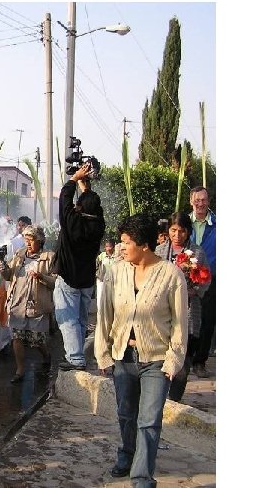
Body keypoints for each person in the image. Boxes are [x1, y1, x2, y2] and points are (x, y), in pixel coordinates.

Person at [94, 213, 188, 486]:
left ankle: (141, 476)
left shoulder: (171, 275)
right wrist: (103, 353)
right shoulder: (116, 272)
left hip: (157, 360)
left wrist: (173, 361)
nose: (121, 248)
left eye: (126, 243)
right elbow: (105, 316)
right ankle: (127, 453)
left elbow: (180, 324)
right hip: (123, 356)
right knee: (126, 414)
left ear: (144, 245)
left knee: (149, 420)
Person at [52, 163, 105, 371]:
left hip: (69, 277)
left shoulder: (73, 223)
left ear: (80, 208)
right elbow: (91, 206)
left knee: (67, 320)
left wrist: (74, 179)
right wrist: (85, 187)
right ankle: (79, 355)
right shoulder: (99, 224)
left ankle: (75, 359)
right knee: (81, 320)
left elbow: (64, 200)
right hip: (87, 279)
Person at [155, 211, 211, 402]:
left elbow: (206, 280)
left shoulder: (197, 252)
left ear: (188, 232)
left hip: (187, 313)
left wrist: (194, 290)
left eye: (181, 231)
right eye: (173, 230)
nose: (177, 235)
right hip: (162, 314)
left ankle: (174, 399)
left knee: (182, 364)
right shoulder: (159, 252)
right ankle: (159, 398)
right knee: (161, 359)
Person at [0, 226, 56, 382]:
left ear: (40, 241)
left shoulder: (49, 257)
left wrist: (41, 276)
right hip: (18, 302)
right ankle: (20, 370)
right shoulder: (19, 255)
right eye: (26, 240)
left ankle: (46, 355)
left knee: (37, 339)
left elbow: (55, 282)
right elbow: (9, 275)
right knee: (16, 337)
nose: (28, 244)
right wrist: (2, 268)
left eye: (31, 240)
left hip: (36, 305)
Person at [188, 186, 216, 378]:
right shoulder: (183, 223)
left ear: (208, 201)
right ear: (191, 201)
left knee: (207, 319)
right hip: (186, 278)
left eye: (203, 200)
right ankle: (185, 358)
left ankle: (200, 361)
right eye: (197, 200)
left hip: (210, 277)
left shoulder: (217, 224)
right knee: (186, 318)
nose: (200, 203)